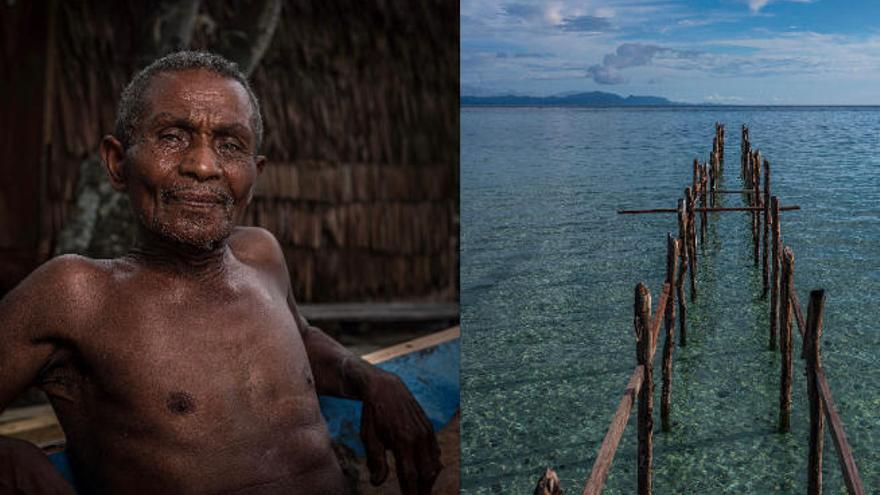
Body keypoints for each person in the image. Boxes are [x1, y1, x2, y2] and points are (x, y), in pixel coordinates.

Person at [0, 51, 441, 494]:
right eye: (172, 137)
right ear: (118, 163)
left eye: (230, 146)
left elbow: (300, 339)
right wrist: (14, 462)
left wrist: (370, 379)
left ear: (255, 172)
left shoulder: (262, 255)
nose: (204, 166)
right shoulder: (75, 295)